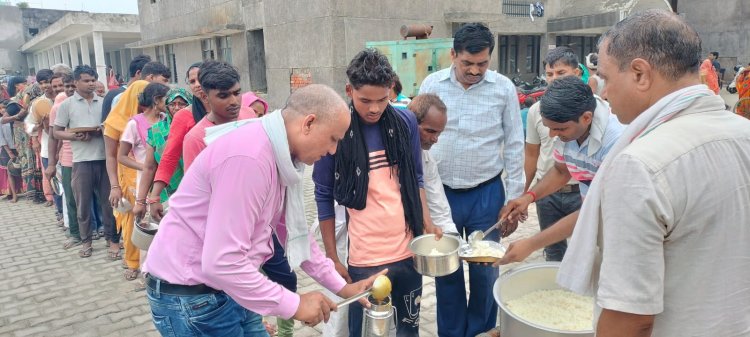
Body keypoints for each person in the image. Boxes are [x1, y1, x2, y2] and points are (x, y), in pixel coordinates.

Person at [556, 9, 750, 336]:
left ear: (640, 74)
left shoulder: (640, 165)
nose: (602, 92)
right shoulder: (743, 133)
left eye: (605, 77)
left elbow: (630, 317)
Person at [143, 84, 379, 335]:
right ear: (308, 123)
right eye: (333, 139)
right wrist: (295, 304)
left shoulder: (279, 153)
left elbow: (293, 229)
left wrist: (342, 288)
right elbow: (222, 262)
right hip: (194, 297)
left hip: (232, 286)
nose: (332, 150)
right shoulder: (250, 157)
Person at [314, 49, 436, 337]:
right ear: (349, 90)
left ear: (391, 90)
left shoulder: (405, 122)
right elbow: (323, 196)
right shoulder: (335, 129)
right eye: (365, 100)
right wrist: (332, 256)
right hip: (364, 257)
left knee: (409, 329)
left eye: (382, 100)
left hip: (408, 249)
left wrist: (428, 223)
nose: (374, 109)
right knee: (366, 331)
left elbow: (417, 177)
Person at [418, 22, 524, 337]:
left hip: (486, 195)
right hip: (443, 195)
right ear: (453, 55)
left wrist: (514, 199)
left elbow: (515, 144)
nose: (475, 71)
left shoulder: (503, 88)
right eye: (468, 63)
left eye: (482, 63)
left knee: (484, 272)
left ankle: (480, 332)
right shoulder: (432, 85)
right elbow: (417, 141)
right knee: (446, 271)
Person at [498, 75, 624, 264]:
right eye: (550, 128)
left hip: (620, 229)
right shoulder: (569, 130)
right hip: (597, 221)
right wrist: (528, 197)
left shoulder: (616, 142)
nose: (552, 135)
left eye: (560, 129)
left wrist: (532, 244)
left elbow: (595, 210)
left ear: (586, 118)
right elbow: (561, 171)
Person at [522, 47, 586, 262]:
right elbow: (531, 154)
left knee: (583, 252)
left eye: (561, 73)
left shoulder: (594, 108)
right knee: (553, 251)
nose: (554, 79)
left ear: (576, 73)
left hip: (581, 191)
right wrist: (525, 194)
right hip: (547, 193)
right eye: (550, 74)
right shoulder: (535, 111)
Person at [53, 65, 117, 259]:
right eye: (86, 80)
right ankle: (86, 242)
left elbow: (112, 126)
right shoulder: (67, 105)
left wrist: (102, 129)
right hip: (80, 161)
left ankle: (112, 240)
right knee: (83, 204)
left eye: (93, 80)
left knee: (109, 203)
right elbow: (56, 131)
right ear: (76, 82)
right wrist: (75, 136)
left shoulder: (105, 102)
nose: (91, 84)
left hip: (105, 159)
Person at [148, 62, 208, 221]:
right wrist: (153, 197)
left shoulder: (232, 109)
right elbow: (169, 156)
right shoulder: (184, 116)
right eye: (192, 81)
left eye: (200, 79)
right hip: (196, 187)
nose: (197, 85)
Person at [181, 60, 255, 170]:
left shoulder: (249, 115)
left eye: (236, 93)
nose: (234, 101)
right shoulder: (196, 139)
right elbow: (195, 185)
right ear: (205, 97)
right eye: (223, 96)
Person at [406, 93, 459, 236]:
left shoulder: (426, 158)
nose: (435, 139)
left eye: (439, 133)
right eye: (430, 131)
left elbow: (437, 202)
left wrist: (451, 236)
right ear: (410, 122)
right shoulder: (384, 151)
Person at [101, 55, 150, 123]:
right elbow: (106, 126)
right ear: (138, 73)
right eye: (151, 76)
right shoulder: (114, 95)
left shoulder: (148, 95)